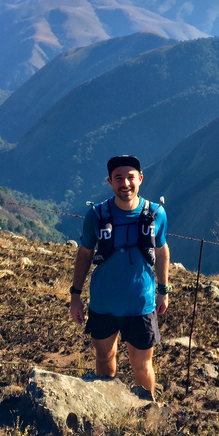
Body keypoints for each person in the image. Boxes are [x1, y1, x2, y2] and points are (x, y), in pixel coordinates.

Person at [69, 155, 170, 399]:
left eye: (130, 177)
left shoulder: (157, 214)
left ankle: (147, 413)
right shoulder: (96, 215)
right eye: (118, 178)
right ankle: (109, 407)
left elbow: (161, 250)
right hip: (104, 304)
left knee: (143, 366)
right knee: (104, 359)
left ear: (140, 179)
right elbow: (84, 255)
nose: (125, 183)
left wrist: (164, 291)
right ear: (110, 182)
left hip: (140, 305)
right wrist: (75, 296)